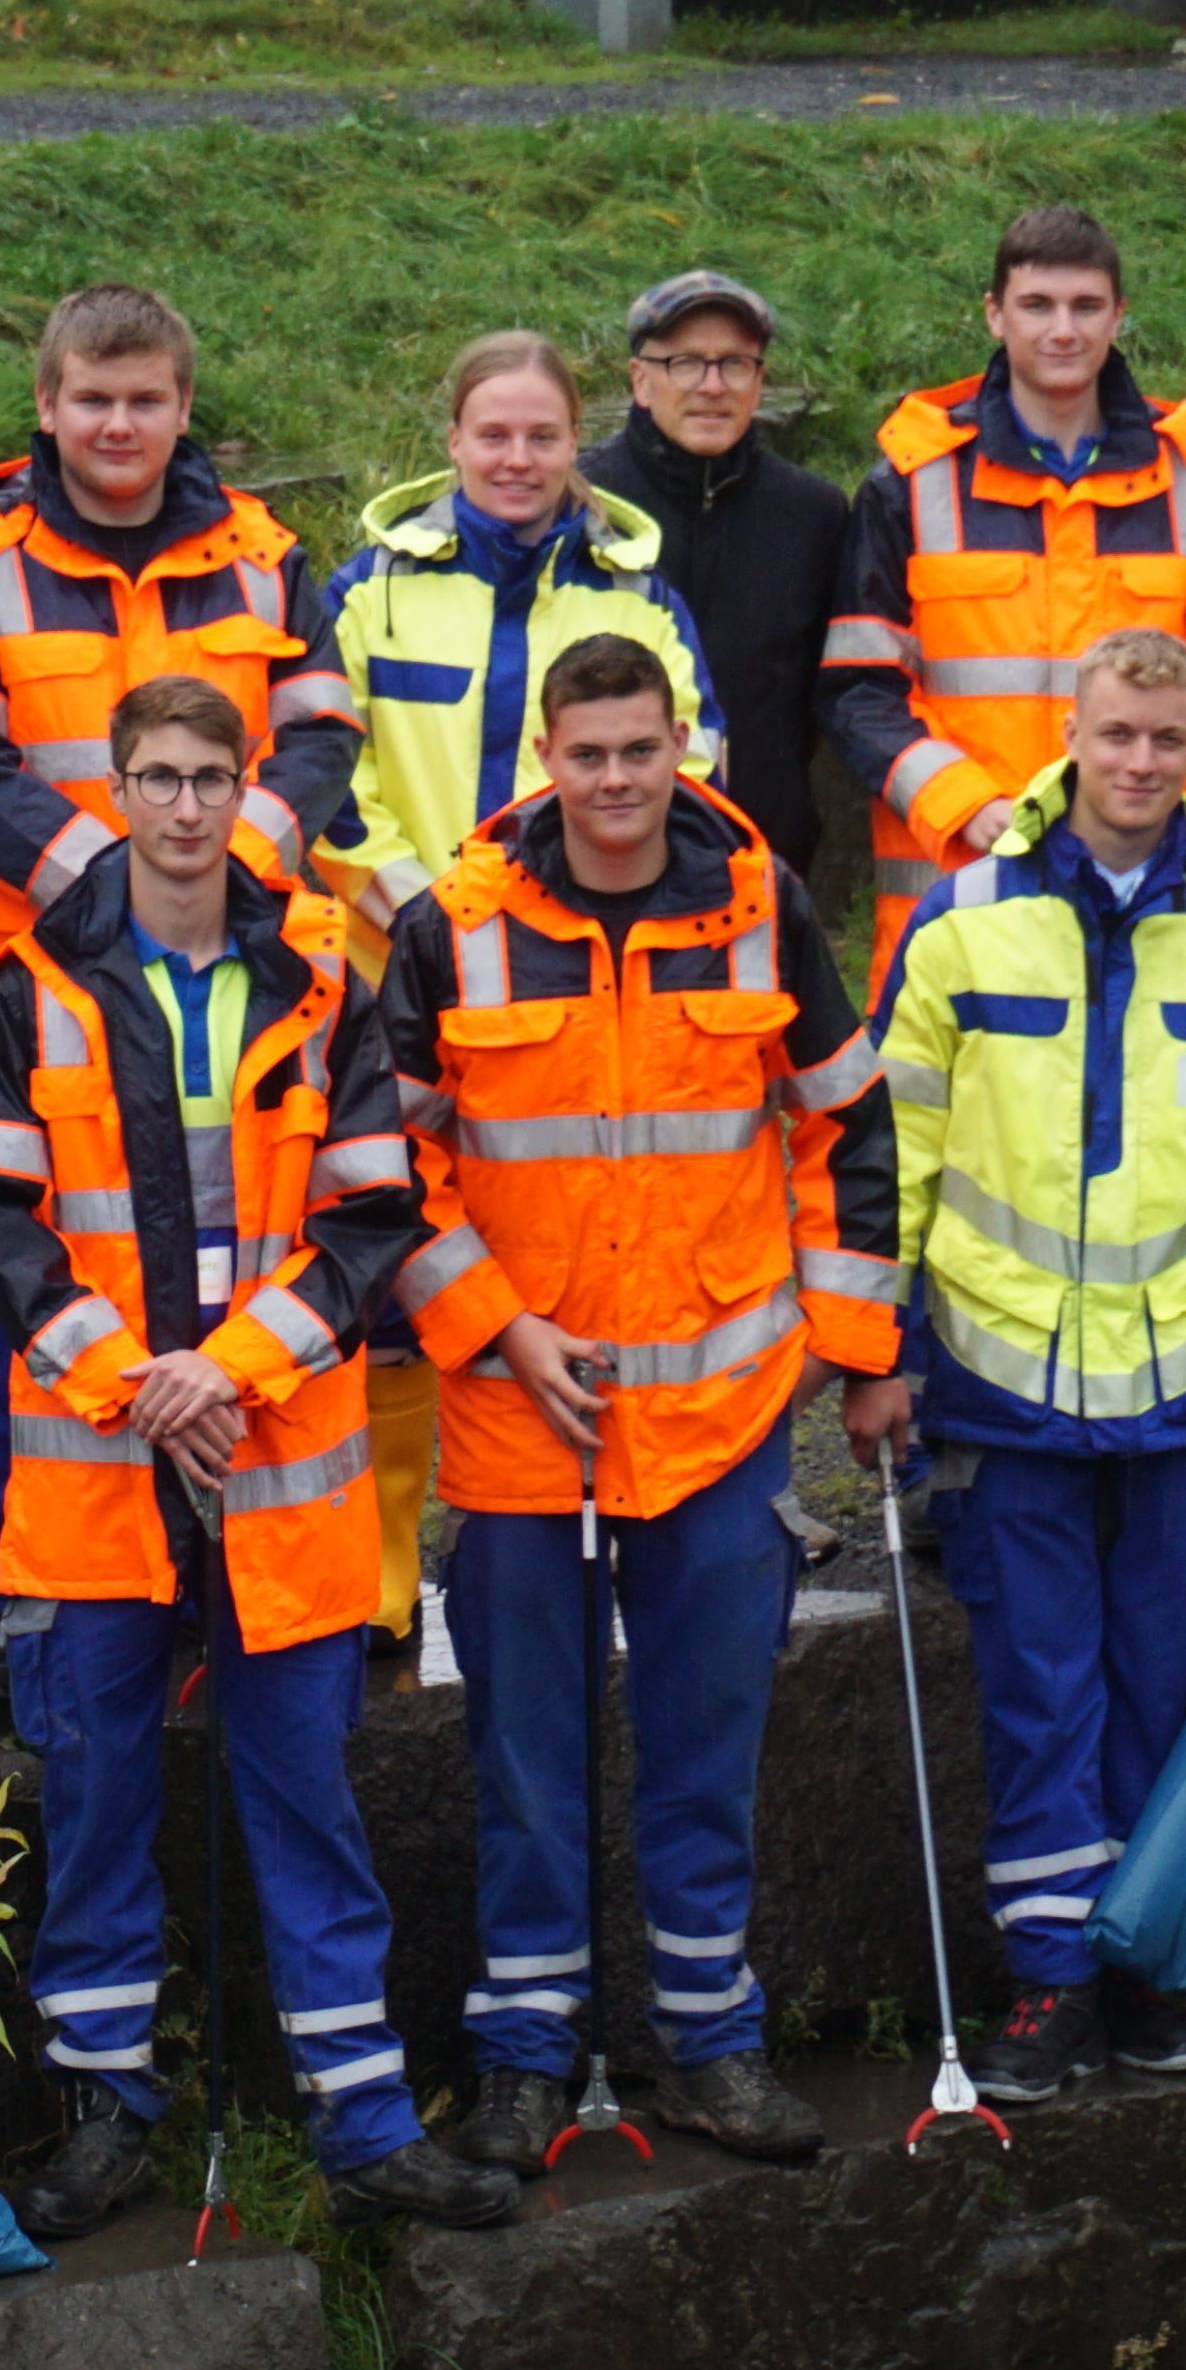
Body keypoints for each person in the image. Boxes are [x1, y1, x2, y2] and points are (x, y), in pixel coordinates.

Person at [0, 674, 512, 2239]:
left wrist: (230, 1368)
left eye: (212, 776)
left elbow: (369, 1215)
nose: (187, 805)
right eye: (159, 777)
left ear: (248, 786)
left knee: (310, 1800)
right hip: (105, 1464)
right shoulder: (30, 980)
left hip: (275, 1462)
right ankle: (104, 2112)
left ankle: (367, 2121)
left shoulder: (327, 975)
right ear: (116, 787)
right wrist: (146, 1384)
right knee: (102, 1796)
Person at [378, 633, 896, 2174]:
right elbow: (384, 1168)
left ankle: (706, 2046)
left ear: (688, 747)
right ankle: (526, 2058)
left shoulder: (760, 908)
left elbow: (841, 1124)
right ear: (544, 755)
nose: (614, 781)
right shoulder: (451, 929)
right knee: (524, 1761)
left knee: (705, 1749)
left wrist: (850, 1348)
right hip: (516, 1421)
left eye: (640, 750)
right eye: (586, 753)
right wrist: (495, 1323)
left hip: (723, 1424)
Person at [862, 629, 1186, 2105]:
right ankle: (1052, 1979)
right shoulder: (963, 920)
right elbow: (893, 1155)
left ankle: (1139, 1960)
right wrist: (874, 1345)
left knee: (1156, 1686)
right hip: (1005, 1387)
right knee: (1039, 1688)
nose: (1141, 763)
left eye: (1166, 741)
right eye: (1118, 734)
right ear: (1071, 734)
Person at [0, 285, 362, 1703]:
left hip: (238, 997)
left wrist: (219, 874)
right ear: (45, 403)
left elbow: (321, 737)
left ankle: (218, 1574)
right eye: (92, 397)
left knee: (233, 1286)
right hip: (35, 1014)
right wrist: (120, 889)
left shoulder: (270, 555)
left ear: (182, 405)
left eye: (146, 398)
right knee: (22, 1299)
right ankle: (5, 1595)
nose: (119, 423)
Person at [304, 330, 717, 1658]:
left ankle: (566, 1548)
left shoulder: (642, 596)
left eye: (544, 436)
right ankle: (379, 1577)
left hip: (573, 980)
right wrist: (419, 905)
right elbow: (327, 766)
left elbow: (689, 767)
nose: (519, 458)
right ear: (454, 440)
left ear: (576, 442)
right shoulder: (370, 588)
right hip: (392, 971)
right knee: (388, 1275)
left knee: (559, 1257)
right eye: (494, 435)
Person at [824, 205, 1186, 944]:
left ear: (1119, 316)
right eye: (1037, 305)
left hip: (1153, 886)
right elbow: (858, 689)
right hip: (966, 890)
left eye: (1086, 306)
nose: (1064, 329)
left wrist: (1181, 831)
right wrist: (968, 806)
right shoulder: (912, 483)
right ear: (995, 315)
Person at [587, 271, 850, 894]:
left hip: (761, 852)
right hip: (599, 848)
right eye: (685, 363)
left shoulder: (814, 514)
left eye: (734, 363)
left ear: (760, 382)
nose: (711, 386)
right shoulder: (584, 504)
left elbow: (821, 692)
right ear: (639, 380)